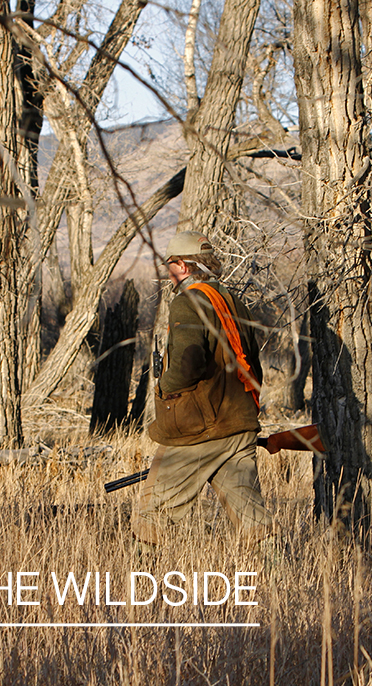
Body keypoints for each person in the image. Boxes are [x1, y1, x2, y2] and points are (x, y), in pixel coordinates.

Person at [131, 230, 272, 550]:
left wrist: (164, 388)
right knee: (254, 523)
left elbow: (189, 362)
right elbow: (254, 362)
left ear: (182, 265)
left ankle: (139, 591)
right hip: (238, 427)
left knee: (152, 517)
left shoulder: (188, 301)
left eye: (170, 265)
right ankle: (277, 580)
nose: (168, 273)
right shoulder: (232, 301)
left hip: (195, 431)